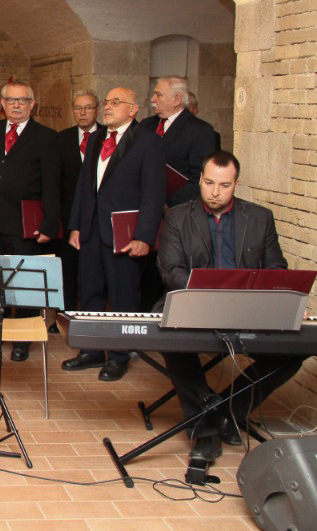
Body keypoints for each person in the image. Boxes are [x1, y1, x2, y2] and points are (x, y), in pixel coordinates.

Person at [158, 151, 303, 464]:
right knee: (171, 340)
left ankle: (226, 410)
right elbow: (171, 271)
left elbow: (276, 269)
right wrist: (210, 294)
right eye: (209, 183)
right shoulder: (178, 216)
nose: (214, 192)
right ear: (200, 179)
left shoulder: (260, 217)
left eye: (224, 185)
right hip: (193, 303)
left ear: (236, 184)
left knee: (296, 350)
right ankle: (205, 430)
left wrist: (285, 302)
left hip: (246, 307)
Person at [61, 88, 165, 381]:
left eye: (115, 102)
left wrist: (144, 237)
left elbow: (154, 193)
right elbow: (84, 187)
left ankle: (119, 356)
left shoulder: (148, 142)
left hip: (125, 234)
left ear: (133, 109)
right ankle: (91, 350)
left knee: (123, 295)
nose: (107, 107)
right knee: (90, 291)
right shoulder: (96, 139)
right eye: (106, 102)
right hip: (91, 230)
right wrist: (76, 225)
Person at [0, 79, 60, 361]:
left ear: (32, 104)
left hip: (24, 224)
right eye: (11, 100)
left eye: (22, 100)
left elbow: (52, 184)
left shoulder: (46, 137)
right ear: (2, 104)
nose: (16, 105)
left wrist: (49, 224)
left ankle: (23, 338)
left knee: (23, 282)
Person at [55, 90, 103, 311]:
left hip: (99, 217)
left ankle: (91, 315)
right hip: (67, 217)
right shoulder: (61, 139)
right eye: (78, 108)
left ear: (97, 110)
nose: (82, 113)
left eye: (88, 108)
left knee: (94, 272)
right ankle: (65, 315)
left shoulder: (108, 136)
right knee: (68, 271)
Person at [139, 76, 216, 207]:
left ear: (176, 100)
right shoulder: (146, 125)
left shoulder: (200, 130)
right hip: (143, 203)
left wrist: (167, 204)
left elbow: (201, 177)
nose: (152, 99)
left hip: (177, 208)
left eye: (158, 95)